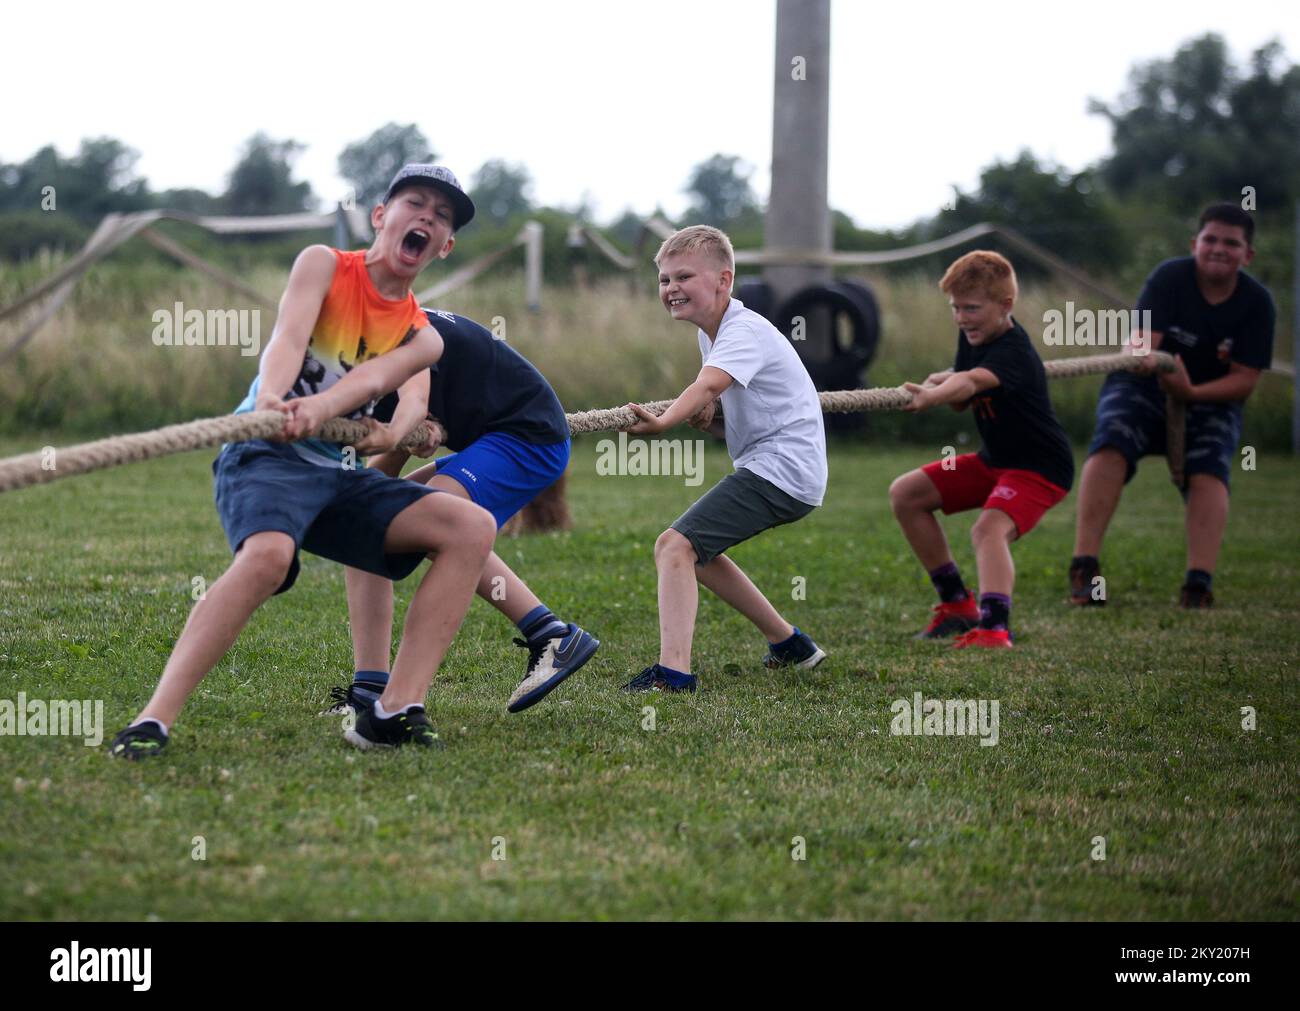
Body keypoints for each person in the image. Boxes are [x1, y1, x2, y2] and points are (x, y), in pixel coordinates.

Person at [109, 164, 497, 757]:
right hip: (266, 453)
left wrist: (381, 431)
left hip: (337, 473)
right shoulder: (323, 264)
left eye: (441, 217)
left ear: (444, 247)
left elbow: (386, 384)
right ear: (380, 217)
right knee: (267, 559)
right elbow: (289, 337)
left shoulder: (424, 335)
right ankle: (152, 720)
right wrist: (274, 396)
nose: (426, 217)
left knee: (470, 525)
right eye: (414, 203)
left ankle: (391, 712)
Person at [326, 308, 598, 718]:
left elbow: (409, 407)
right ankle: (369, 688)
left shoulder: (386, 338)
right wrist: (360, 508)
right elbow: (376, 478)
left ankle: (551, 635)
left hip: (528, 437)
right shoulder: (355, 349)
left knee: (438, 519)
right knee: (363, 524)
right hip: (494, 440)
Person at [622, 225, 827, 692]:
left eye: (684, 277)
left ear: (723, 281)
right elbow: (724, 399)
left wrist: (665, 421)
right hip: (781, 469)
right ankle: (791, 645)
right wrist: (709, 418)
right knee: (696, 552)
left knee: (673, 546)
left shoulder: (743, 330)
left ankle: (673, 674)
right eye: (664, 280)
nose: (671, 288)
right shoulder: (713, 333)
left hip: (783, 471)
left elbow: (708, 385)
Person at [1069, 204, 1275, 608]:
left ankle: (1198, 585)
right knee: (1111, 441)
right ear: (1194, 243)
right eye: (1210, 239)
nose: (1218, 249)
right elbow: (1141, 340)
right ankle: (1084, 568)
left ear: (1247, 255)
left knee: (1209, 469)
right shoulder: (1169, 277)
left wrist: (1191, 393)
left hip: (1211, 395)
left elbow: (1245, 380)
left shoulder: (1258, 303)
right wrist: (1143, 356)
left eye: (1231, 243)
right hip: (1142, 385)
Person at [889, 250, 1074, 648]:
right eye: (955, 308)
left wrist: (933, 395)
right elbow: (964, 393)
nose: (961, 317)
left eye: (971, 308)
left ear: (1005, 305)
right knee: (906, 494)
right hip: (996, 462)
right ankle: (957, 605)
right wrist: (946, 382)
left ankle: (994, 628)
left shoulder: (1014, 349)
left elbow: (972, 382)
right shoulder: (972, 333)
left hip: (1039, 468)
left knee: (988, 530)